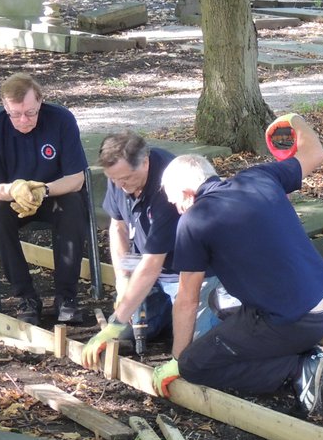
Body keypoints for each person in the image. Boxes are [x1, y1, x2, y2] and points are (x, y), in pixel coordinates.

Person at [150, 114, 323, 415]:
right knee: (220, 302)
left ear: (186, 193)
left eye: (175, 203)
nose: (177, 210)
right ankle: (297, 348)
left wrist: (178, 360)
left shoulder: (195, 220)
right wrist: (294, 120)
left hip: (293, 322)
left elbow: (186, 298)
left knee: (196, 367)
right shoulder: (259, 177)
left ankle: (295, 368)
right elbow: (316, 153)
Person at [81, 132, 220, 364]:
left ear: (145, 161)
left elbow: (152, 264)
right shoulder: (118, 173)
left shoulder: (168, 186)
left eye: (125, 179)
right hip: (151, 274)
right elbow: (118, 228)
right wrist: (123, 278)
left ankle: (213, 314)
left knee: (196, 352)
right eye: (113, 179)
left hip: (188, 275)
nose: (119, 185)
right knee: (129, 331)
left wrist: (114, 325)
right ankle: (165, 314)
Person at [0, 72, 89, 325]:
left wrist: (42, 190)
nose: (23, 120)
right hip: (13, 200)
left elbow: (76, 179)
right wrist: (14, 191)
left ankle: (66, 297)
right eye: (15, 114)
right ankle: (25, 297)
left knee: (74, 206)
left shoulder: (61, 120)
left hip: (55, 194)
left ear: (41, 102)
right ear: (5, 106)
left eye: (31, 112)